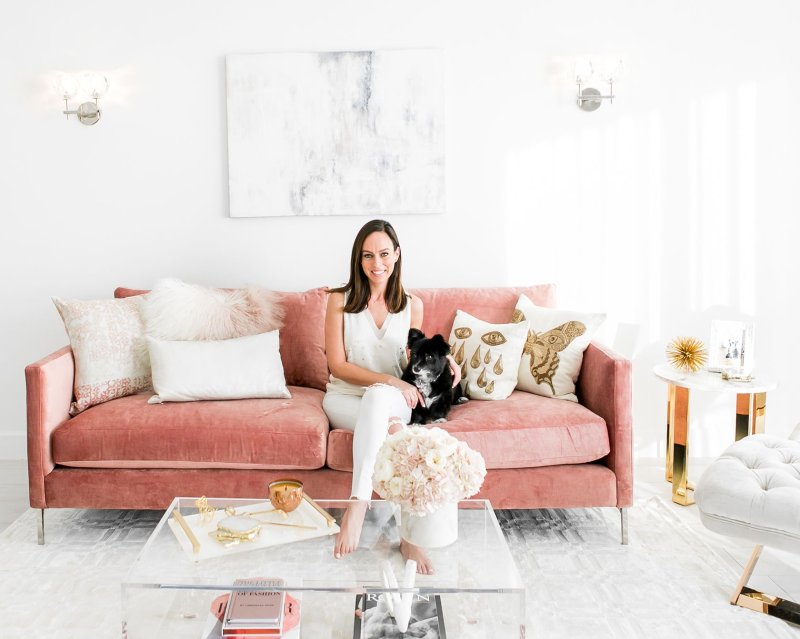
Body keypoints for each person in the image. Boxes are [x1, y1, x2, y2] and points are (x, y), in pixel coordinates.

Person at [322, 219, 459, 575]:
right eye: (368, 255)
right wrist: (387, 381)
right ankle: (407, 535)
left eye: (384, 254)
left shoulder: (412, 304)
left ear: (397, 255)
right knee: (397, 432)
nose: (376, 263)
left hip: (395, 399)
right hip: (346, 398)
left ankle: (358, 504)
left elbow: (420, 349)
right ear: (358, 259)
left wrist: (450, 361)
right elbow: (337, 365)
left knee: (382, 404)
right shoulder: (340, 301)